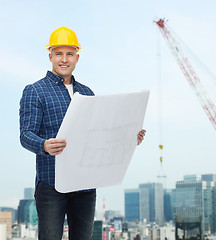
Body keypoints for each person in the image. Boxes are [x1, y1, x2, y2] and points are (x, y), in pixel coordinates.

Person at [19, 26, 146, 240]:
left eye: (69, 54)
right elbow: (25, 134)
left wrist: (129, 138)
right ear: (50, 55)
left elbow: (100, 136)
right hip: (51, 185)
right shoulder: (35, 91)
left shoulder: (87, 93)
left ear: (77, 57)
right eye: (59, 53)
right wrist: (44, 145)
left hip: (85, 185)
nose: (64, 59)